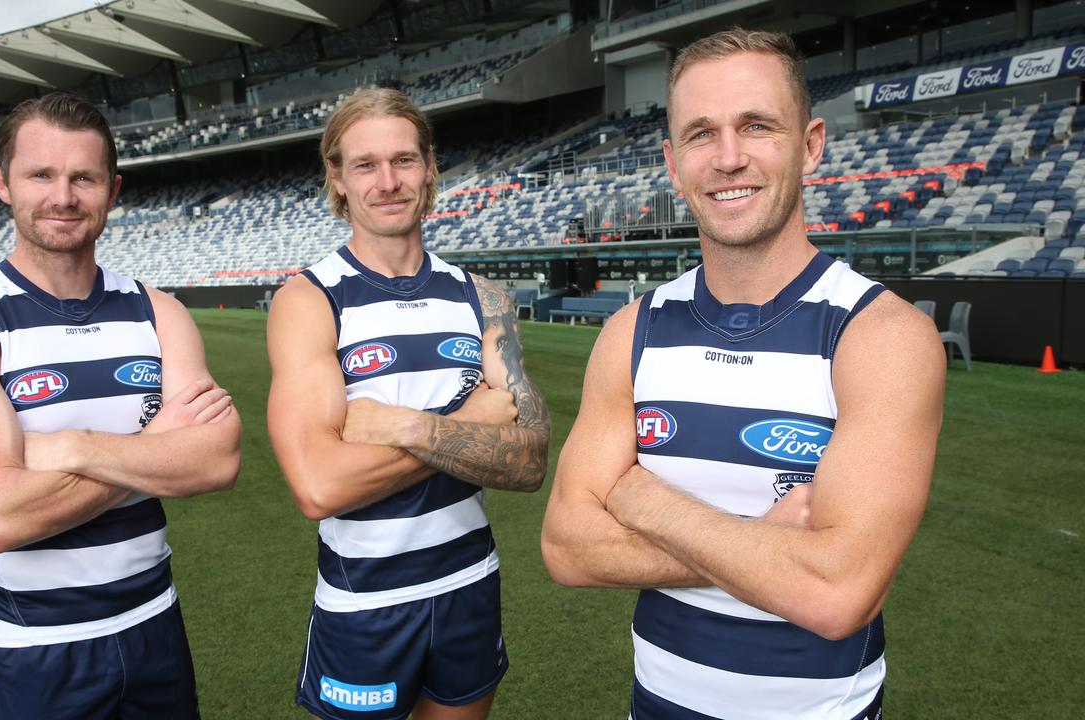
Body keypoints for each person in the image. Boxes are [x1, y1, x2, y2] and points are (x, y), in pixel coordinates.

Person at [541, 28, 945, 720]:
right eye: (701, 134)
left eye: (757, 126)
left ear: (811, 143)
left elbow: (837, 594)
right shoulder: (631, 333)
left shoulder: (880, 337)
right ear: (672, 162)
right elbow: (568, 547)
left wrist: (646, 503)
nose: (729, 159)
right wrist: (769, 545)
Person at [0, 91, 241, 719]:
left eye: (83, 177)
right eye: (41, 174)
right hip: (33, 648)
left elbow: (216, 461)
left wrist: (73, 448)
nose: (63, 196)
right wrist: (153, 452)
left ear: (112, 190)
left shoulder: (157, 310)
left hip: (155, 628)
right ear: (3, 183)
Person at [266, 87, 551, 720]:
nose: (388, 181)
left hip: (469, 584)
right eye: (365, 165)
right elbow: (319, 486)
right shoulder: (311, 301)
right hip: (364, 601)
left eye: (404, 161)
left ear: (428, 169)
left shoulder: (483, 299)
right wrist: (468, 427)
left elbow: (529, 462)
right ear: (337, 179)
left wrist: (403, 427)